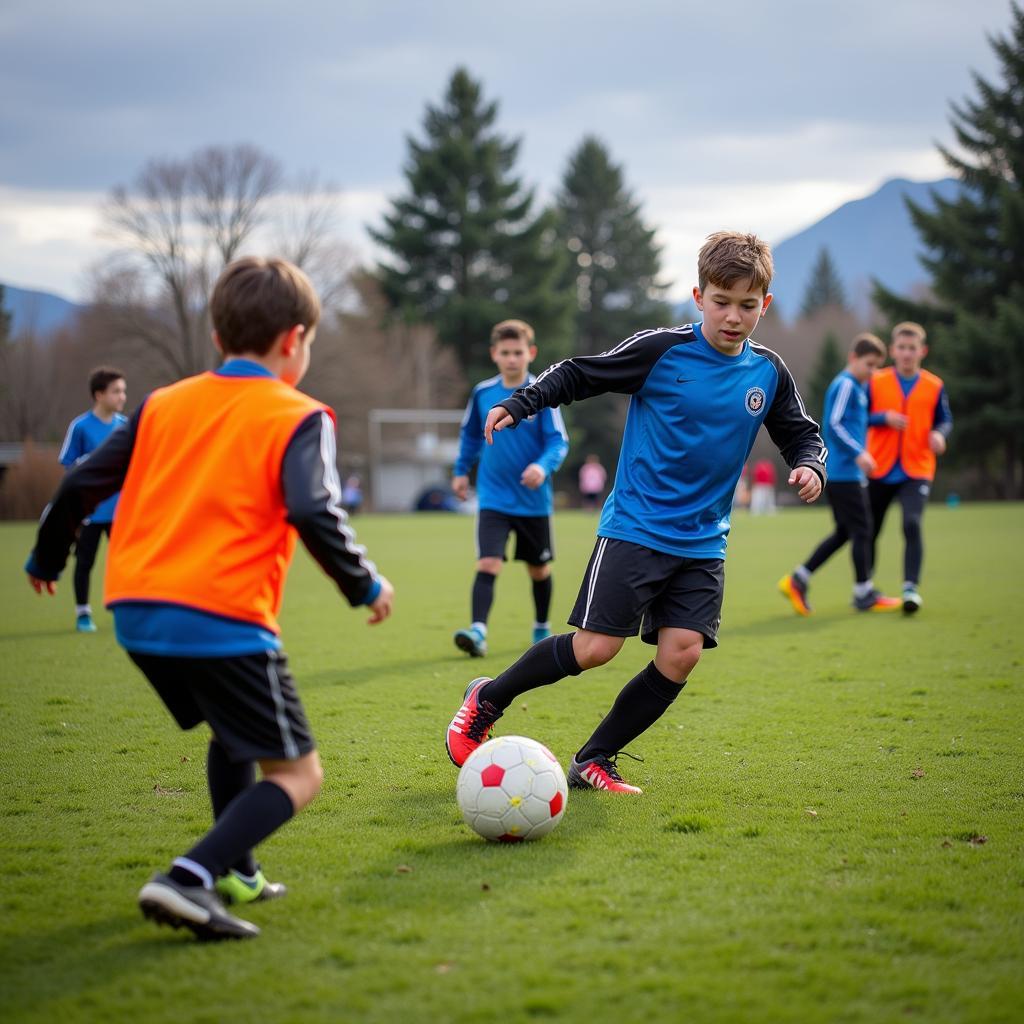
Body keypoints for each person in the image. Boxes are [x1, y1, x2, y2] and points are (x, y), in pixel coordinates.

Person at [25, 257, 394, 941]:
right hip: (221, 615)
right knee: (299, 773)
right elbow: (315, 510)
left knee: (234, 735)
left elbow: (79, 485)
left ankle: (238, 873)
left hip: (135, 610)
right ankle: (188, 878)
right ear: (294, 341)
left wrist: (47, 556)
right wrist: (365, 584)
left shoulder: (163, 403)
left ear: (220, 340)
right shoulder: (300, 414)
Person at [445, 232, 826, 793]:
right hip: (637, 529)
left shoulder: (768, 372)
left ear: (764, 305)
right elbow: (579, 373)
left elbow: (799, 432)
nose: (733, 316)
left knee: (682, 653)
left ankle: (595, 758)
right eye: (722, 301)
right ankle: (487, 699)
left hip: (703, 542)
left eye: (748, 306)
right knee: (596, 648)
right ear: (699, 297)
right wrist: (521, 403)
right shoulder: (662, 350)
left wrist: (810, 464)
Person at [451, 319, 569, 657]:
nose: (512, 359)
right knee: (488, 563)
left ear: (530, 353)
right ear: (494, 355)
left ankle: (541, 628)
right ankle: (478, 632)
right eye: (505, 353)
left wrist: (541, 467)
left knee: (539, 569)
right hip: (493, 497)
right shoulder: (483, 393)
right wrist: (461, 471)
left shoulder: (542, 393)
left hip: (532, 501)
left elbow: (558, 442)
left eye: (518, 352)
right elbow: (471, 435)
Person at [778, 333, 900, 614]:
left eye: (877, 367)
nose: (873, 372)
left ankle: (799, 579)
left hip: (848, 474)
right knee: (863, 529)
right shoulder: (845, 384)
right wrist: (859, 452)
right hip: (844, 473)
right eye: (869, 365)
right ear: (853, 358)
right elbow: (833, 424)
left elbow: (857, 419)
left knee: (846, 531)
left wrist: (883, 419)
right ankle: (864, 593)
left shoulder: (857, 387)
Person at [865, 321, 952, 614]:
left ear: (922, 351)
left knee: (911, 523)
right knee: (869, 530)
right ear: (892, 350)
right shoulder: (875, 381)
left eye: (912, 348)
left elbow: (945, 419)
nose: (906, 353)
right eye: (901, 348)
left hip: (917, 468)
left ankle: (910, 588)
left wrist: (940, 433)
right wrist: (883, 418)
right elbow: (859, 416)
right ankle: (865, 588)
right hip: (880, 466)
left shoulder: (934, 385)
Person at [58, 367, 128, 632]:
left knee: (123, 563)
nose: (122, 396)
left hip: (120, 511)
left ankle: (122, 610)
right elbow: (68, 465)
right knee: (85, 562)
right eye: (116, 391)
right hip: (89, 511)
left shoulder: (125, 427)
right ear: (99, 395)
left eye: (123, 390)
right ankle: (83, 614)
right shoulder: (80, 427)